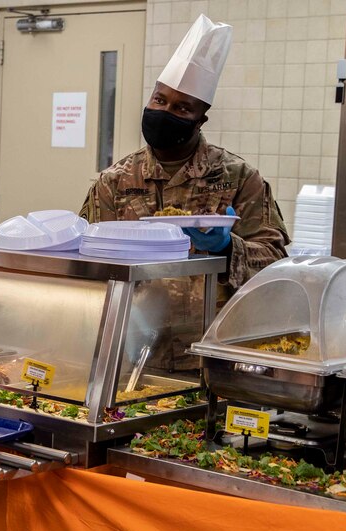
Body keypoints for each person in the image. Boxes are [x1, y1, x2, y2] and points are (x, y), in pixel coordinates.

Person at [80, 14, 288, 370]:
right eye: (159, 100)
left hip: (215, 354)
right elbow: (86, 255)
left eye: (180, 107)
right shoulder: (114, 181)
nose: (164, 111)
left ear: (200, 119)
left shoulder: (238, 177)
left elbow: (276, 263)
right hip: (138, 354)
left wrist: (227, 248)